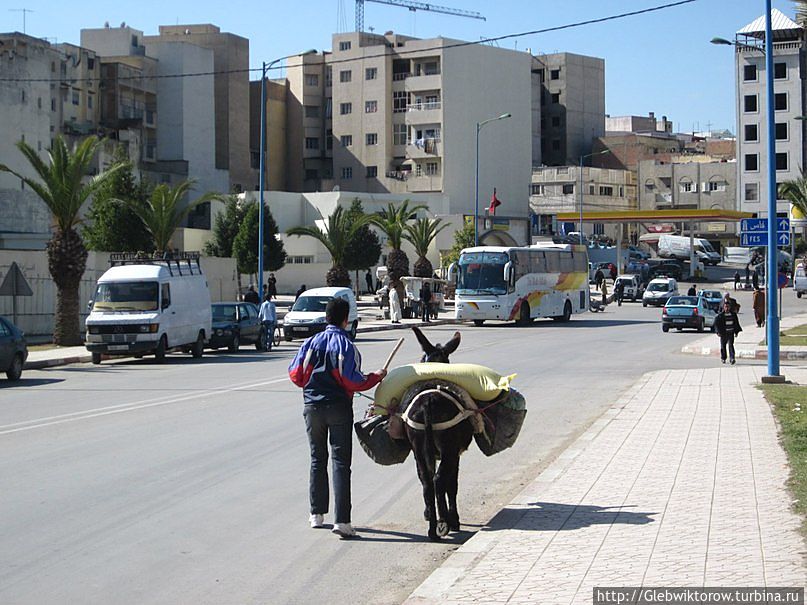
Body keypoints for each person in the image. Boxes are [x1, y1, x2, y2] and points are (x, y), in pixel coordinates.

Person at [288, 298, 387, 538]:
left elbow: (295, 375)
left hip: (312, 407)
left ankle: (316, 514)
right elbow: (353, 381)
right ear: (346, 319)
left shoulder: (309, 343)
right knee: (341, 462)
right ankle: (342, 521)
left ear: (326, 317)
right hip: (339, 408)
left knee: (317, 459)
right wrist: (376, 377)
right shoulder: (346, 345)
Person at [714, 297, 742, 365]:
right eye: (725, 307)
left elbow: (736, 323)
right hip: (723, 333)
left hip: (731, 332)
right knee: (723, 346)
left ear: (730, 307)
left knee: (731, 345)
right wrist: (718, 332)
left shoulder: (733, 315)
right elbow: (716, 324)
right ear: (723, 307)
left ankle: (732, 358)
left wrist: (736, 332)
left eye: (728, 307)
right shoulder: (720, 316)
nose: (727, 308)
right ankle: (723, 358)